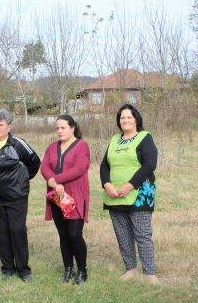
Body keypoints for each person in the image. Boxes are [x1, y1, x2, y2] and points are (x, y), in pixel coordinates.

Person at [100, 104, 159, 285]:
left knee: (142, 234)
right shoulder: (114, 140)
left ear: (136, 120)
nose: (125, 120)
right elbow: (104, 165)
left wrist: (130, 185)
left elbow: (149, 165)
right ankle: (131, 268)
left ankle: (149, 272)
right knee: (122, 234)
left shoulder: (145, 138)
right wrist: (107, 183)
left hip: (139, 193)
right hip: (114, 194)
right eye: (122, 118)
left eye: (129, 117)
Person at [0, 109, 41, 281]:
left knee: (17, 230)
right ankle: (7, 268)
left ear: (9, 127)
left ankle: (23, 269)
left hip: (16, 196)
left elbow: (35, 162)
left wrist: (22, 179)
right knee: (1, 232)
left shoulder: (18, 144)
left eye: (1, 124)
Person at [40, 115, 91, 284]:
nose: (59, 131)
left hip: (74, 195)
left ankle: (82, 270)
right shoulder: (52, 147)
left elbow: (79, 168)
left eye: (63, 128)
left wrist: (57, 180)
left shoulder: (82, 146)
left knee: (74, 234)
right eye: (57, 128)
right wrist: (53, 183)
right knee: (63, 234)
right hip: (57, 196)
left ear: (72, 128)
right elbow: (45, 166)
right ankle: (68, 268)